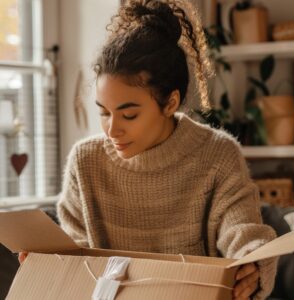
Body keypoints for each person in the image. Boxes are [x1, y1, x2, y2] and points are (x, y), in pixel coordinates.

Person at [20, 1, 277, 299]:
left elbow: (242, 229)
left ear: (170, 103)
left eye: (129, 115)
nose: (112, 130)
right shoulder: (86, 160)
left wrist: (255, 263)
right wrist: (48, 263)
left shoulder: (217, 154)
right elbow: (75, 251)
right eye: (104, 112)